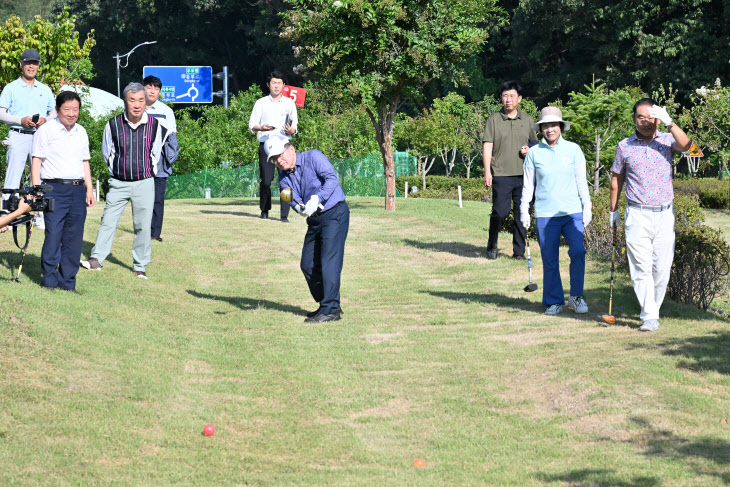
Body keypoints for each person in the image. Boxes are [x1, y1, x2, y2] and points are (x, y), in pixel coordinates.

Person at [610, 99, 691, 331]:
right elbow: (617, 178)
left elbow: (688, 147)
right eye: (641, 118)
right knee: (640, 268)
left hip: (665, 214)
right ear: (634, 119)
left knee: (661, 269)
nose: (646, 122)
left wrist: (670, 122)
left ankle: (652, 309)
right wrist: (613, 211)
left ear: (658, 118)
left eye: (651, 117)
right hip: (637, 214)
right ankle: (649, 316)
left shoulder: (667, 140)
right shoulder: (624, 145)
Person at [80, 83, 166, 279]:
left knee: (143, 225)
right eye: (132, 100)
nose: (137, 105)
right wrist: (118, 170)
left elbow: (155, 154)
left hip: (144, 182)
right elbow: (106, 152)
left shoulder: (155, 125)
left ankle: (140, 265)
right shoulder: (112, 124)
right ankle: (96, 259)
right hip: (118, 182)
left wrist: (145, 172)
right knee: (108, 221)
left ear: (146, 103)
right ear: (125, 102)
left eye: (141, 101)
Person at [266, 137, 348, 322]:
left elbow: (332, 179)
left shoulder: (314, 157)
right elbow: (287, 195)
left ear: (291, 149)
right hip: (315, 220)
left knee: (329, 261)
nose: (278, 161)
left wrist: (317, 198)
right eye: (274, 159)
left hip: (334, 213)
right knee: (307, 264)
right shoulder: (283, 175)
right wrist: (299, 208)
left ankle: (330, 310)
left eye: (280, 155)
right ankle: (328, 303)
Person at [520, 107, 592, 315]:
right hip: (545, 213)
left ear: (560, 126)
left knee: (578, 251)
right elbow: (528, 185)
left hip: (571, 212)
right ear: (541, 128)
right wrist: (525, 208)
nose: (550, 129)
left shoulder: (574, 150)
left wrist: (586, 205)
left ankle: (576, 296)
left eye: (553, 125)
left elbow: (581, 181)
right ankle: (554, 300)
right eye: (545, 126)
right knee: (549, 257)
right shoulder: (534, 153)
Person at [30, 91, 94, 293]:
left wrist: (89, 188)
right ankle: (49, 279)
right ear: (57, 110)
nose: (71, 113)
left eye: (75, 109)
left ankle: (68, 282)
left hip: (77, 190)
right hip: (53, 188)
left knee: (74, 238)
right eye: (67, 109)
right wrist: (36, 189)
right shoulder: (46, 130)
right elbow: (36, 160)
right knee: (53, 235)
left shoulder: (81, 131)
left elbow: (85, 161)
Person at [0, 48, 56, 228]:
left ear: (39, 66)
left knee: (38, 177)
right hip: (18, 134)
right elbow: (1, 113)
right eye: (28, 62)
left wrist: (46, 120)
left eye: (35, 63)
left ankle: (38, 214)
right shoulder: (11, 88)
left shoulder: (45, 89)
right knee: (13, 176)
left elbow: (55, 111)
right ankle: (7, 214)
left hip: (39, 136)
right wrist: (20, 120)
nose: (31, 66)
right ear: (21, 64)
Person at [482, 81, 536, 260]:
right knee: (500, 212)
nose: (508, 100)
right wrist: (487, 172)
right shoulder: (493, 120)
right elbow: (488, 146)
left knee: (522, 213)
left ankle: (518, 252)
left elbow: (535, 144)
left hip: (524, 174)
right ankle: (492, 243)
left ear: (519, 99)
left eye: (512, 96)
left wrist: (529, 149)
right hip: (501, 174)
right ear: (501, 98)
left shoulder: (527, 120)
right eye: (505, 96)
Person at [249, 70, 298, 222]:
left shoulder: (290, 103)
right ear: (268, 85)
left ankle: (284, 215)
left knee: (286, 180)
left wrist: (291, 130)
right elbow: (252, 125)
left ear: (284, 85)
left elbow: (295, 126)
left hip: (284, 145)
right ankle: (265, 209)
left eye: (279, 83)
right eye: (273, 83)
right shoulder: (261, 103)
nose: (276, 86)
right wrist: (261, 128)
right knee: (266, 180)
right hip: (266, 145)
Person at [143, 75, 179, 242]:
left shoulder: (166, 111)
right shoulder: (136, 108)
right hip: (140, 161)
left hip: (160, 162)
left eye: (156, 88)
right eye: (149, 87)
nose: (152, 91)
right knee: (142, 199)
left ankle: (155, 232)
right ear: (143, 88)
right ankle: (142, 230)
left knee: (158, 199)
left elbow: (173, 137)